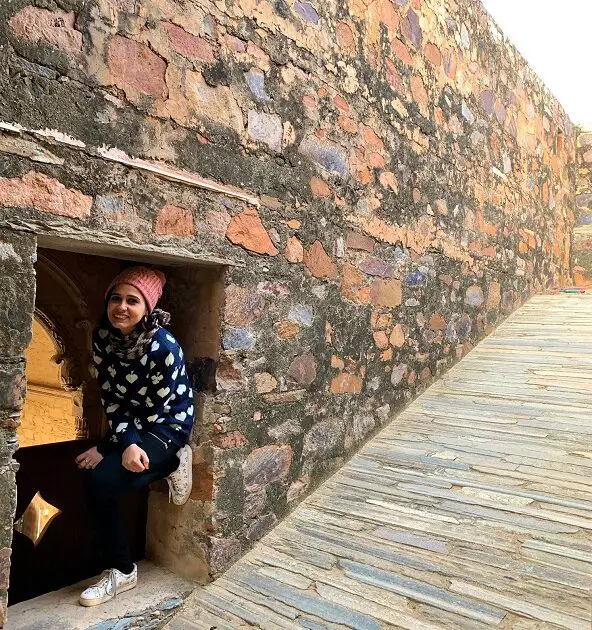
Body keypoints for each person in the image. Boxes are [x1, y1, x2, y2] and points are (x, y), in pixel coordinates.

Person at [75, 266, 194, 607]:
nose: (121, 307)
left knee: (107, 480)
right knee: (96, 479)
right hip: (131, 422)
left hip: (167, 425)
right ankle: (122, 569)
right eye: (116, 298)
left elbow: (156, 409)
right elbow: (111, 396)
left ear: (148, 309)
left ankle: (173, 459)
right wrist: (115, 443)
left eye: (132, 300)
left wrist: (119, 445)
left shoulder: (163, 346)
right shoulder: (103, 339)